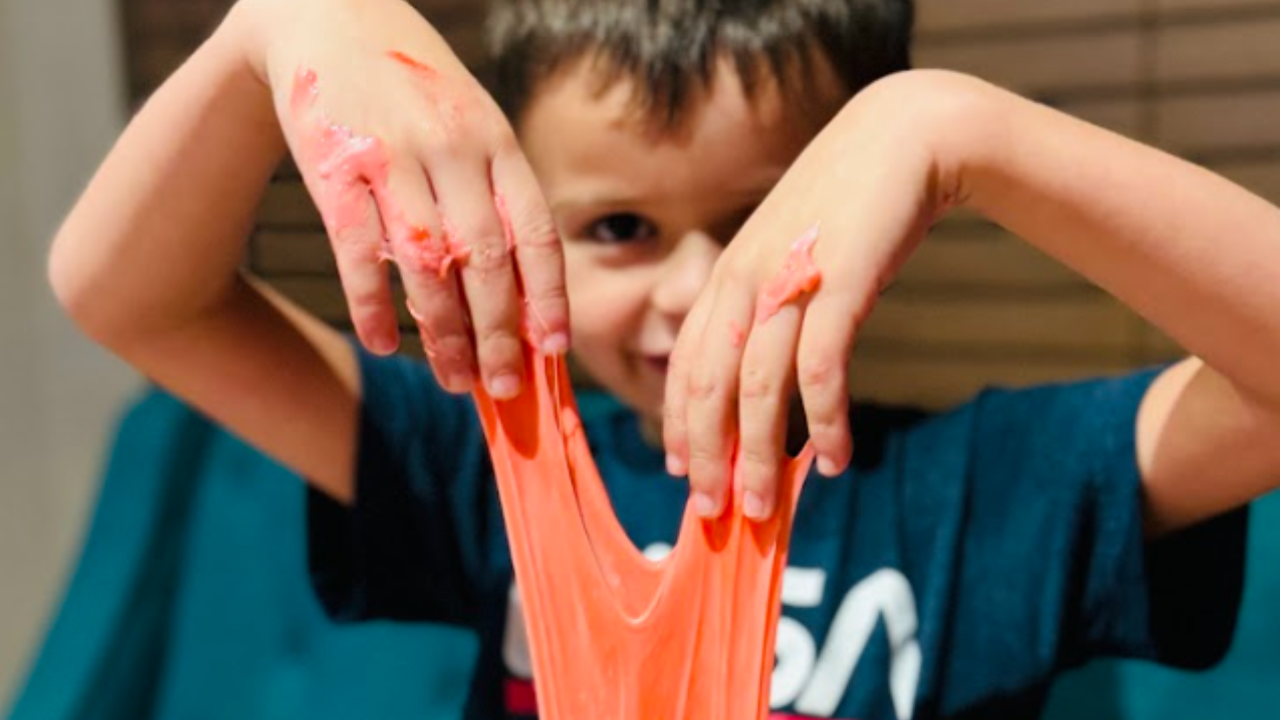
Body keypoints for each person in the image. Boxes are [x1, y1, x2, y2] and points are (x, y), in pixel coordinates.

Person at [48, 0, 1280, 717]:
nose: (697, 296)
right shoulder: (485, 459)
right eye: (620, 230)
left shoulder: (984, 492)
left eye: (765, 218)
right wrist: (274, 27)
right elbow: (128, 298)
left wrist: (957, 129)